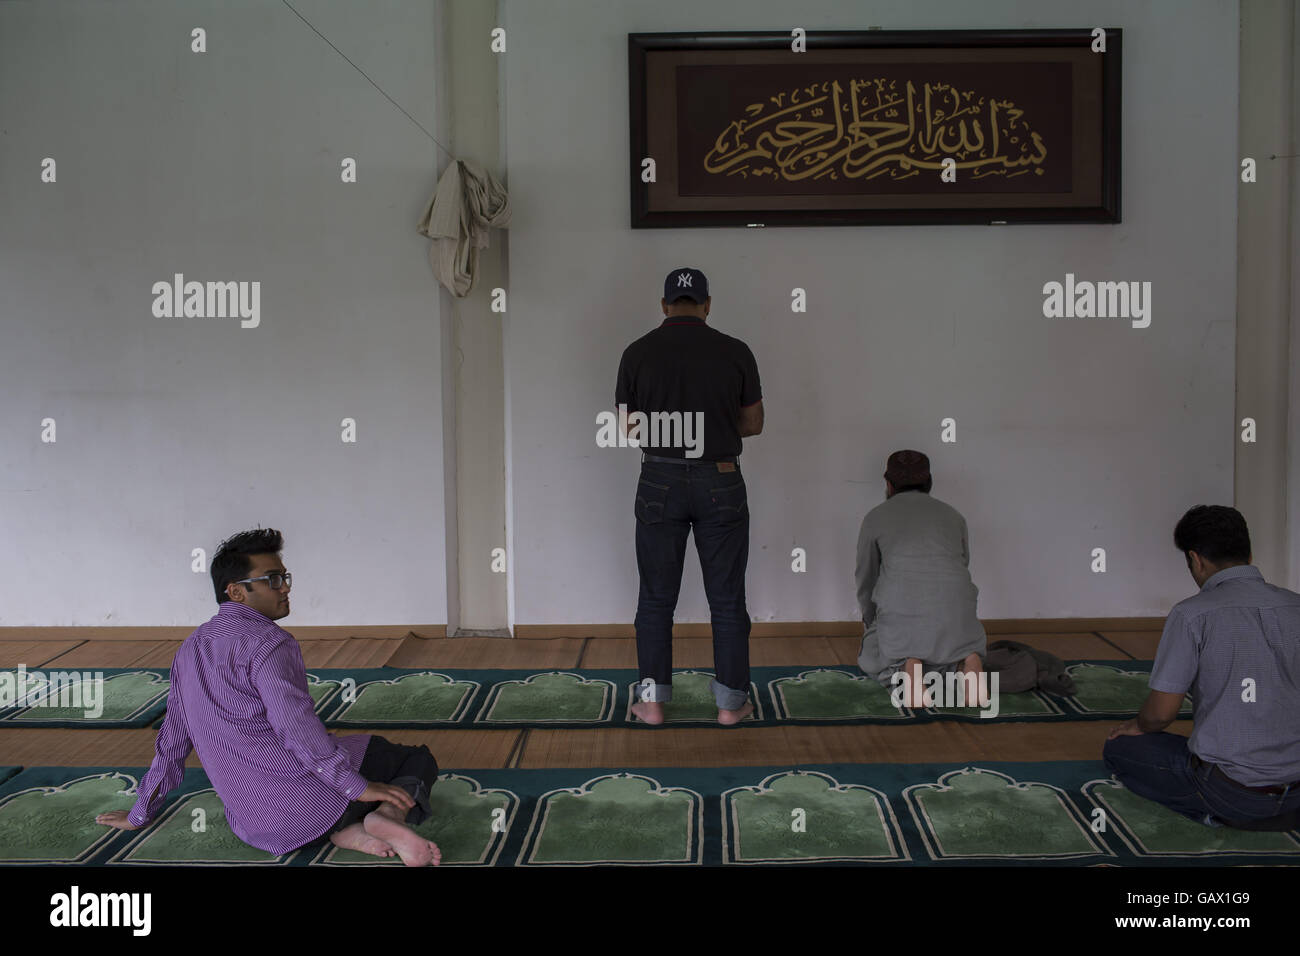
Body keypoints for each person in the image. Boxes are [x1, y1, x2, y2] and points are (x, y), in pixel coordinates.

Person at [94, 528, 442, 865]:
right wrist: (357, 788)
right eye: (273, 580)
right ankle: (386, 816)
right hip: (314, 808)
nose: (285, 587)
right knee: (414, 758)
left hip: (259, 827)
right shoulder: (270, 643)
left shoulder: (190, 648)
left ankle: (348, 831)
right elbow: (296, 729)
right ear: (236, 591)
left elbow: (172, 741)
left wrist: (140, 813)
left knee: (337, 754)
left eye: (285, 577)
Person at [615, 267, 763, 726]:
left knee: (655, 599)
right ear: (707, 304)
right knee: (727, 600)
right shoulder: (735, 351)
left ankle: (652, 704)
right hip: (721, 479)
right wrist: (713, 428)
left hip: (659, 480)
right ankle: (731, 706)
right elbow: (753, 423)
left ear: (664, 305)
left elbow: (628, 427)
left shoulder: (637, 352)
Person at [1104, 506, 1300, 830]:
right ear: (1249, 555)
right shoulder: (1295, 605)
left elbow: (1160, 715)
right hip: (1297, 791)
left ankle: (1219, 813)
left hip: (1233, 791)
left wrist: (1136, 726)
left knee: (1121, 749)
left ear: (1195, 560)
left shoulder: (1192, 614)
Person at [855, 451, 987, 708]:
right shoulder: (953, 515)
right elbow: (961, 566)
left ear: (888, 484)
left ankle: (908, 666)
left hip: (902, 622)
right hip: (959, 623)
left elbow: (866, 578)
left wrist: (871, 623)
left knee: (871, 650)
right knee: (946, 645)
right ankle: (966, 661)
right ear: (929, 483)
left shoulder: (875, 517)